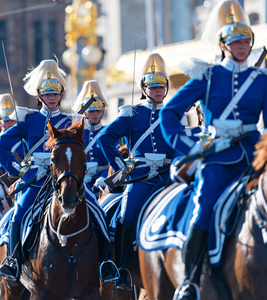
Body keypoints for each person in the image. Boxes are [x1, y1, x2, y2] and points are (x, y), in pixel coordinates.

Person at [159, 2, 267, 299]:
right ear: (223, 45)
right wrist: (189, 147)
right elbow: (169, 114)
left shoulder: (264, 81)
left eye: (246, 41)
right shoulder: (208, 75)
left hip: (254, 158)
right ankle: (190, 280)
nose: (242, 47)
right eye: (235, 42)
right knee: (204, 208)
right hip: (217, 158)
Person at [0, 59, 114, 284]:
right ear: (39, 96)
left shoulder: (71, 120)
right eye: (47, 95)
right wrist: (17, 168)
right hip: (35, 180)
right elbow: (2, 145)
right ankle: (13, 260)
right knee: (19, 214)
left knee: (97, 209)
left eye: (55, 94)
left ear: (60, 96)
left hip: (63, 180)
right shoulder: (29, 119)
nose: (52, 98)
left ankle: (106, 261)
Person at [98, 53, 175, 289]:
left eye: (161, 87)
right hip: (140, 177)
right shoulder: (132, 113)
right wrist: (122, 168)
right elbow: (105, 138)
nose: (157, 91)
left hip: (168, 176)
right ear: (144, 89)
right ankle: (120, 268)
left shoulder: (173, 113)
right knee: (126, 214)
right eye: (152, 87)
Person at [72, 80, 111, 197]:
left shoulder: (109, 132)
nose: (95, 114)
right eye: (91, 111)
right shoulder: (77, 134)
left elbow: (115, 160)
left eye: (98, 111)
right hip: (81, 182)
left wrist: (104, 177)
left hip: (103, 183)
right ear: (85, 113)